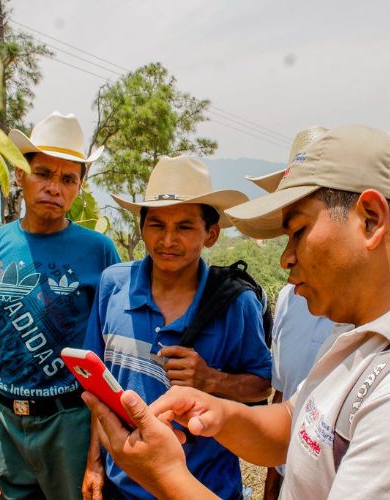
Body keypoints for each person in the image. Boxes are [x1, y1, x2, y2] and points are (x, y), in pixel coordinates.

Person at [83, 124, 390, 499]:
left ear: (370, 220)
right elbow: (296, 423)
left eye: (298, 231)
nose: (286, 258)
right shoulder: (359, 341)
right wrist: (217, 412)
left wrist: (164, 476)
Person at [82, 155, 272, 499]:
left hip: (204, 489)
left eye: (184, 227)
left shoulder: (235, 303)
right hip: (122, 488)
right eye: (156, 225)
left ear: (211, 234)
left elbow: (262, 386)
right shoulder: (113, 285)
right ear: (142, 229)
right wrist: (95, 463)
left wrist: (210, 380)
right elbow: (98, 387)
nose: (168, 239)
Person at [0, 111, 120, 500]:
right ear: (20, 175)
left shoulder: (99, 251)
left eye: (68, 178)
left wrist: (96, 458)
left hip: (70, 421)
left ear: (80, 187)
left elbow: (108, 352)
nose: (54, 187)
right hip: (4, 421)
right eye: (43, 173)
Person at [248, 128, 335, 499]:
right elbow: (283, 396)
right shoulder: (288, 297)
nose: (287, 256)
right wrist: (273, 480)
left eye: (302, 229)